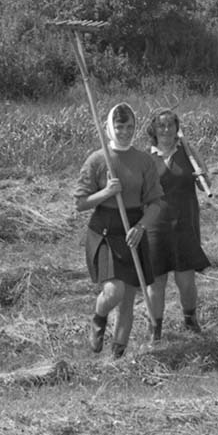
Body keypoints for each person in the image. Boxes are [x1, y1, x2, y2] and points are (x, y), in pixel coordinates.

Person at [74, 102, 162, 359]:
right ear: (110, 127)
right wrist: (107, 192)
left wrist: (141, 226)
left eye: (130, 127)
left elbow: (156, 203)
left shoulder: (144, 160)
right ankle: (99, 318)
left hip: (133, 230)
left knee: (127, 302)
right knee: (114, 292)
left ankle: (117, 358)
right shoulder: (98, 160)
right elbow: (80, 203)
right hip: (104, 232)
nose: (125, 132)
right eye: (119, 126)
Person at [144, 108, 212, 343]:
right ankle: (156, 328)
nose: (165, 129)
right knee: (157, 280)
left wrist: (202, 175)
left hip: (184, 223)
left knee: (185, 280)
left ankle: (190, 320)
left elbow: (206, 186)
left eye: (170, 124)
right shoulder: (146, 158)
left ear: (177, 128)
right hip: (155, 226)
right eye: (161, 125)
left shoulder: (188, 153)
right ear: (153, 129)